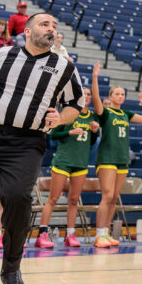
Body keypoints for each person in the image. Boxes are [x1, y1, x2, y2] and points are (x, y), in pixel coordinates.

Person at [0, 12, 85, 284]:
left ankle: (11, 269)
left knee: (18, 198)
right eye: (45, 24)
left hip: (25, 144)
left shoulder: (64, 67)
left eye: (54, 26)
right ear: (26, 30)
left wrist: (61, 118)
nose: (51, 29)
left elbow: (76, 104)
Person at [89, 62, 142, 248]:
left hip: (122, 159)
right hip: (107, 158)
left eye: (122, 94)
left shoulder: (126, 114)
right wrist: (95, 77)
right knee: (107, 196)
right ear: (110, 97)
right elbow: (95, 99)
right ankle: (99, 235)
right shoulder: (105, 113)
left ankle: (106, 232)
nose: (120, 96)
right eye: (117, 94)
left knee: (114, 198)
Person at [35, 93, 99, 248]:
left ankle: (70, 234)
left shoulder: (92, 117)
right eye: (84, 94)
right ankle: (42, 233)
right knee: (53, 198)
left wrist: (95, 132)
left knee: (74, 199)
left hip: (81, 162)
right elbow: (54, 135)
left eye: (89, 94)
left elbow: (91, 142)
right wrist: (70, 132)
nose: (87, 96)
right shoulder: (69, 112)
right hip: (63, 161)